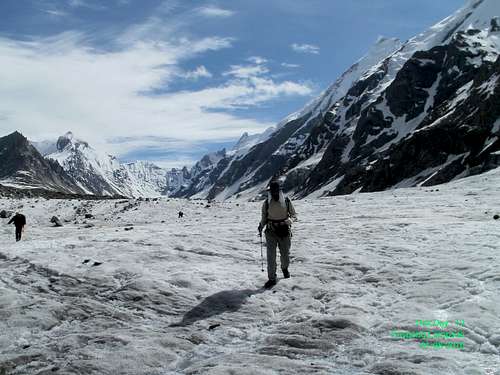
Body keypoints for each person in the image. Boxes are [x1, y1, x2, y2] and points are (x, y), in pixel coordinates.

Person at [258, 180, 297, 289]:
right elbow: (264, 218)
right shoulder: (266, 203)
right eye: (273, 191)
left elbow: (294, 215)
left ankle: (284, 268)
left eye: (275, 191)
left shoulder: (287, 201)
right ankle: (272, 278)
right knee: (271, 256)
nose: (274, 193)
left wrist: (290, 220)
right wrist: (261, 226)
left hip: (284, 230)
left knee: (285, 254)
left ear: (278, 191)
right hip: (271, 232)